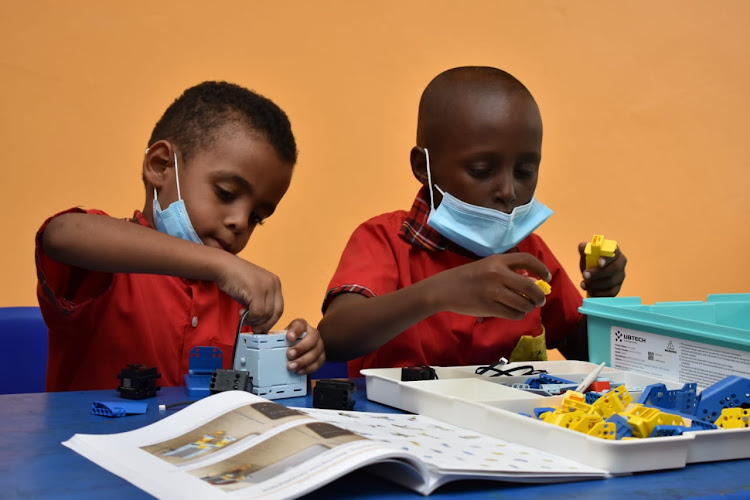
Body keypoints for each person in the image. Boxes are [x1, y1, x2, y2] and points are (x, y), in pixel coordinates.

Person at [318, 66, 627, 377]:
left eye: (524, 172)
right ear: (422, 167)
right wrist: (440, 292)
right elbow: (335, 338)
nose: (508, 191)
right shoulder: (384, 240)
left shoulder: (530, 253)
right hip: (400, 422)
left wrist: (601, 299)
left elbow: (584, 353)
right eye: (481, 170)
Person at [36, 81, 325, 391]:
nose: (240, 222)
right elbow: (62, 234)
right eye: (225, 193)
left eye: (258, 218)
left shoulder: (236, 298)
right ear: (160, 165)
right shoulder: (105, 265)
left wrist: (295, 353)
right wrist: (219, 264)